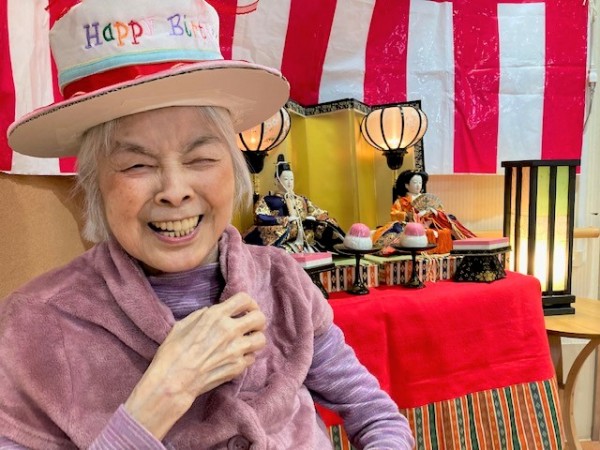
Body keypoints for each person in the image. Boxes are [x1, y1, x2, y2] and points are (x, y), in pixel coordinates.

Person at [0, 1, 414, 449]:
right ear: (94, 183)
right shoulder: (38, 325)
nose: (174, 191)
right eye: (137, 164)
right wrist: (159, 398)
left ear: (233, 169)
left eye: (200, 158)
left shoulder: (281, 280)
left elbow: (377, 416)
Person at [243, 155, 345, 253]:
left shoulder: (301, 199)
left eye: (291, 179)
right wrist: (284, 219)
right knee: (277, 234)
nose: (289, 182)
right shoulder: (268, 199)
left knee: (325, 224)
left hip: (305, 234)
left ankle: (341, 244)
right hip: (285, 234)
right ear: (277, 181)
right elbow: (260, 216)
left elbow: (317, 212)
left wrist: (313, 218)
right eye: (286, 179)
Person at [391, 169, 476, 244]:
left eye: (420, 182)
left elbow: (440, 211)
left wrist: (434, 212)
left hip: (432, 224)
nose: (418, 185)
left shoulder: (425, 198)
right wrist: (413, 215)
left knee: (449, 221)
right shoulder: (401, 201)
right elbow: (394, 214)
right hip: (414, 225)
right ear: (406, 185)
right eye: (415, 182)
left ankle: (463, 238)